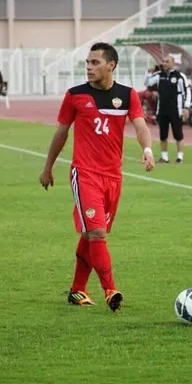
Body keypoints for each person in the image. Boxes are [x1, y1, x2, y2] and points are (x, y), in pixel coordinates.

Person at [39, 42, 155, 312]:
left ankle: (77, 290)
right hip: (85, 174)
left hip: (113, 177)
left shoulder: (127, 95)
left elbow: (140, 126)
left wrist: (148, 150)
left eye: (95, 63)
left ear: (110, 65)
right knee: (98, 232)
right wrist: (48, 168)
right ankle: (110, 290)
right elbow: (61, 134)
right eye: (87, 63)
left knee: (91, 236)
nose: (89, 68)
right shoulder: (75, 95)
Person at [145, 54, 191, 164]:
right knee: (163, 135)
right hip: (162, 109)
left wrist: (186, 107)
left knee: (178, 134)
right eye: (163, 61)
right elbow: (147, 83)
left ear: (173, 63)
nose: (164, 63)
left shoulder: (180, 76)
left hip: (176, 110)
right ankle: (164, 157)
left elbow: (187, 92)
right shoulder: (159, 75)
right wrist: (148, 72)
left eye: (167, 61)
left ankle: (180, 157)